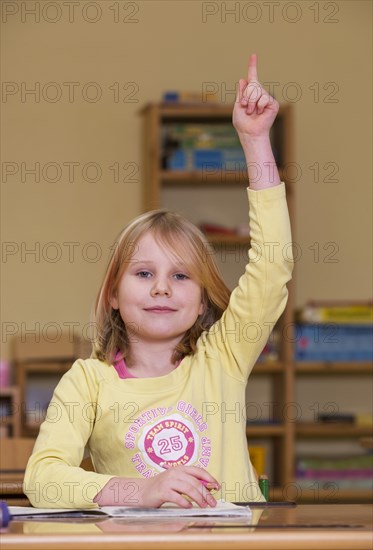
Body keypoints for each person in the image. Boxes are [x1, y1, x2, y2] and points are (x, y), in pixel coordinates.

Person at [24, 54, 293, 509]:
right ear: (112, 293)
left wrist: (255, 143)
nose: (162, 288)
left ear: (203, 297)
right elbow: (43, 478)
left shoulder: (222, 358)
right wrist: (139, 491)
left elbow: (272, 265)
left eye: (181, 275)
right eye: (144, 273)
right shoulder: (88, 381)